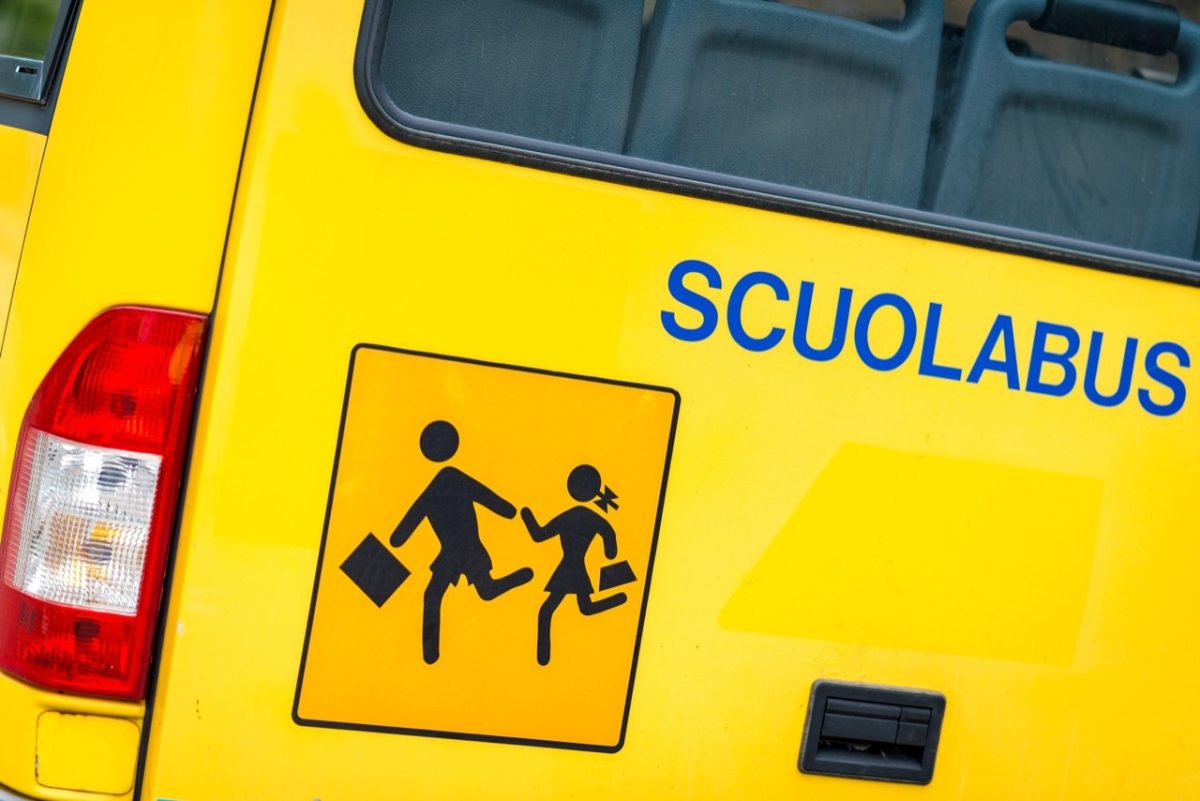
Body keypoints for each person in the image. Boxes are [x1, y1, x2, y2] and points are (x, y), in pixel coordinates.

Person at [391, 420, 533, 664]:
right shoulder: (448, 481)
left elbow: (413, 518)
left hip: (463, 549)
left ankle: (430, 654)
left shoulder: (442, 483)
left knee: (438, 595)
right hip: (456, 550)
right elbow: (486, 496)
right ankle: (430, 654)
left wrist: (398, 538)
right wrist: (508, 510)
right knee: (457, 593)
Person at [521, 464, 627, 666]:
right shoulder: (590, 517)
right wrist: (610, 551)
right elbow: (608, 532)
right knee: (583, 607)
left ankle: (543, 657)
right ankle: (617, 599)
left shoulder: (570, 516)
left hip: (569, 567)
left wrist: (527, 516)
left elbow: (539, 534)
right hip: (573, 566)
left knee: (547, 611)